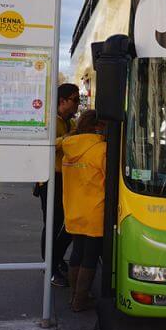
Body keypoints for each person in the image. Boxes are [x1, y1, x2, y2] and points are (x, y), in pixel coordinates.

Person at [35, 83, 80, 287]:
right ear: (63, 101)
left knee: (69, 223)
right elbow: (46, 145)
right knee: (52, 224)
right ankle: (50, 269)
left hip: (67, 179)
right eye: (75, 99)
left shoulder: (70, 122)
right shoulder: (51, 120)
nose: (78, 103)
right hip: (50, 179)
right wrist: (68, 139)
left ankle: (56, 259)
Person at [62, 109, 107, 311]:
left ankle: (74, 296)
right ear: (97, 126)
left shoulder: (69, 147)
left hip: (73, 208)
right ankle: (80, 300)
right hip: (94, 209)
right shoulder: (101, 149)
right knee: (91, 255)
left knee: (77, 251)